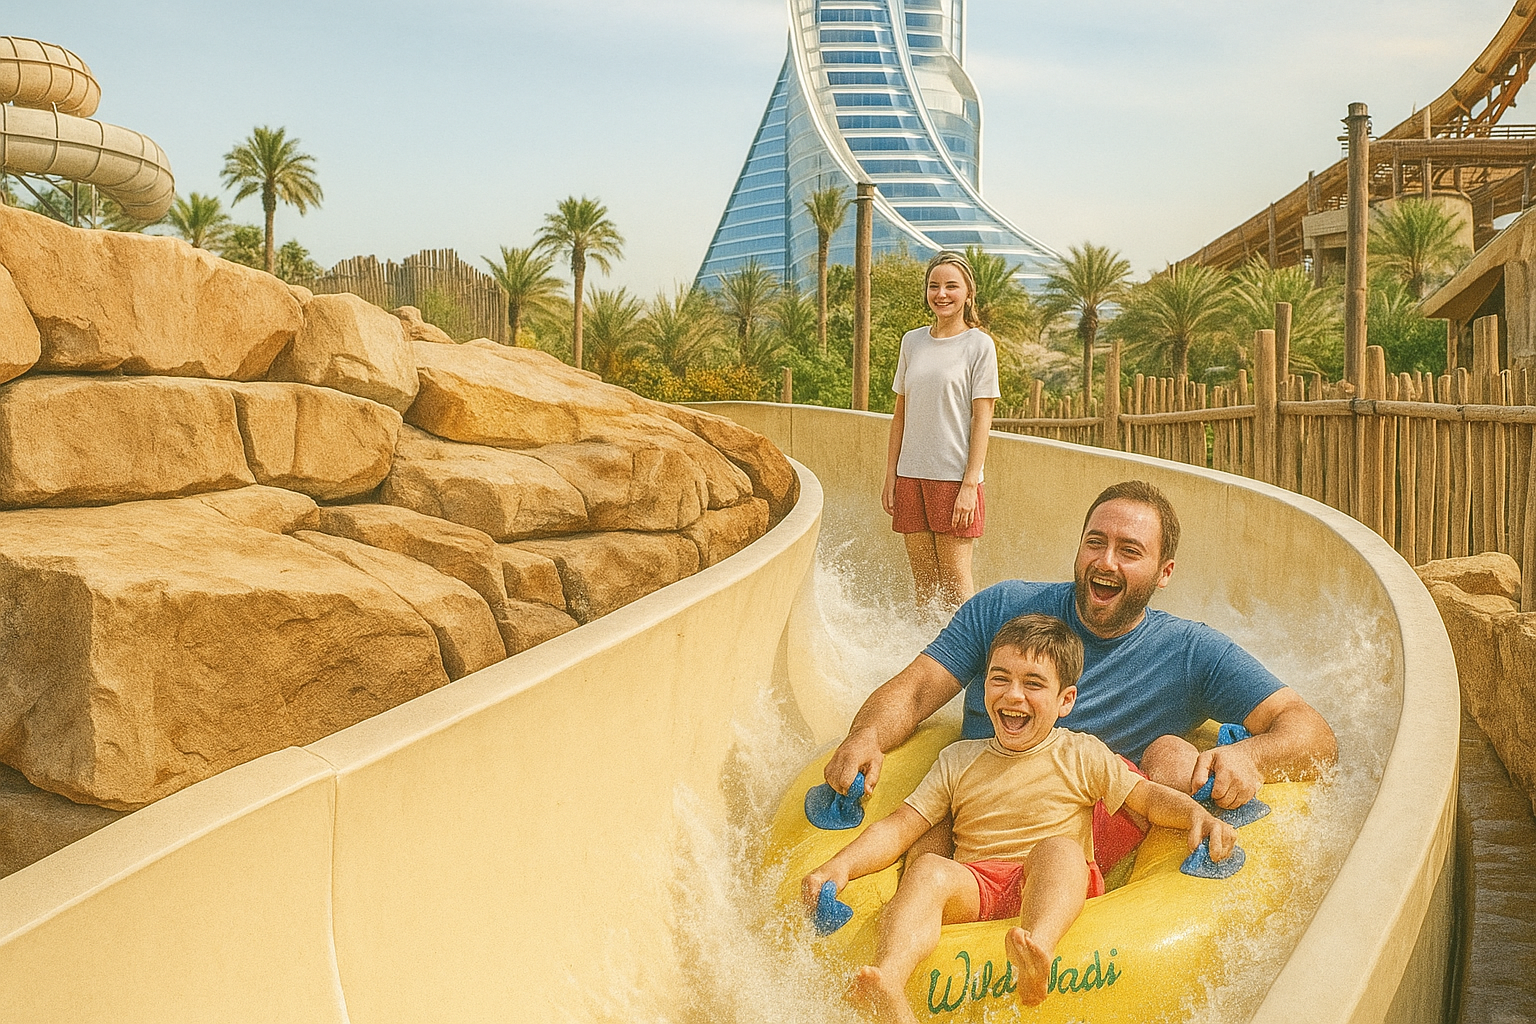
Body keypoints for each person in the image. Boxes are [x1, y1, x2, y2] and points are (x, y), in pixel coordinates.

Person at [825, 479, 1336, 872]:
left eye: (1130, 551)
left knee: (1174, 760)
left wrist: (1248, 755)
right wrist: (865, 735)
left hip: (1074, 851)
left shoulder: (1191, 652)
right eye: (1095, 542)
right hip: (976, 819)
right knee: (922, 858)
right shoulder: (1007, 608)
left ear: (1165, 572)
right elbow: (916, 691)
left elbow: (1311, 732)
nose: (1105, 562)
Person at [802, 615, 1236, 1020]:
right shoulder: (958, 759)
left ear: (1065, 700)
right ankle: (890, 981)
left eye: (1033, 683)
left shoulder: (1080, 753)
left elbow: (1147, 799)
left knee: (1059, 850)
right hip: (979, 883)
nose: (1013, 695)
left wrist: (1196, 816)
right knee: (931, 869)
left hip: (1052, 881)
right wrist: (840, 865)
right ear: (984, 686)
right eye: (999, 679)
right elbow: (900, 828)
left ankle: (1037, 950)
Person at [883, 251, 999, 610]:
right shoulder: (912, 342)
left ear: (968, 293)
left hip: (954, 480)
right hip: (910, 476)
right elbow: (900, 415)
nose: (942, 294)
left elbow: (983, 420)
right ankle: (929, 662)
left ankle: (971, 664)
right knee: (925, 589)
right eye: (934, 286)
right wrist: (891, 475)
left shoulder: (979, 345)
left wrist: (968, 485)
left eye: (951, 286)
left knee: (956, 588)